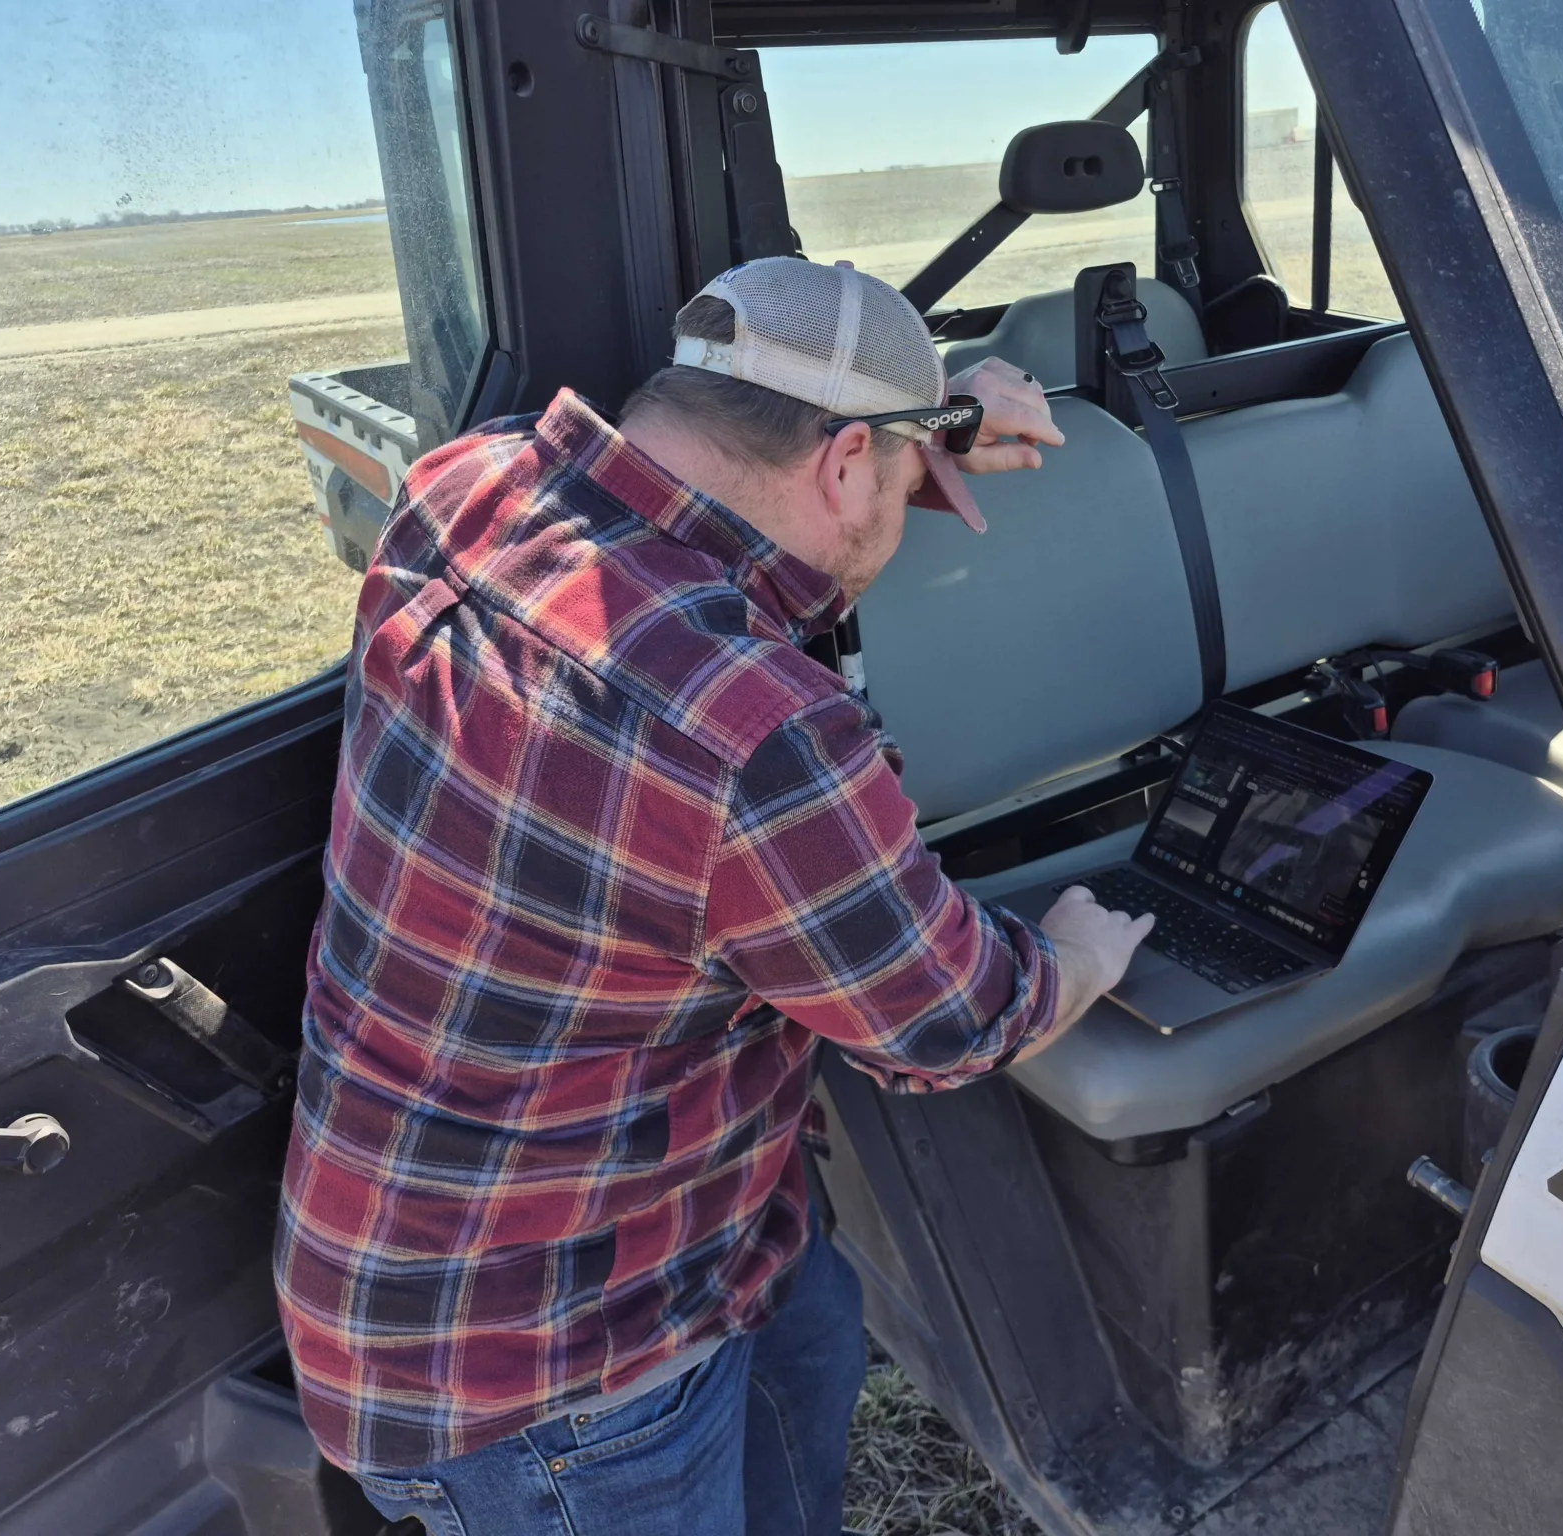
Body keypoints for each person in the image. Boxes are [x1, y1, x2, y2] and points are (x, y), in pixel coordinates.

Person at [273, 257, 1154, 1536]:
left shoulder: (467, 482)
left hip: (545, 1238)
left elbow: (773, 459)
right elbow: (949, 1020)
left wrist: (924, 428)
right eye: (893, 474)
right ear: (842, 461)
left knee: (811, 1347)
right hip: (548, 1376)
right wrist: (1073, 955)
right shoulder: (755, 732)